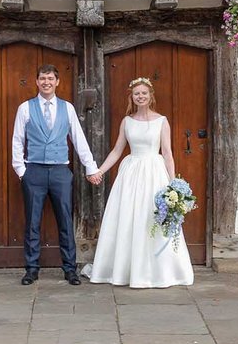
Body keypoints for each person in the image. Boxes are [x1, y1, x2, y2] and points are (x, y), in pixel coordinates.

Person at [84, 77, 195, 288]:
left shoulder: (162, 121)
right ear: (132, 97)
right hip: (131, 173)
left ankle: (160, 271)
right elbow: (117, 150)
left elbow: (168, 153)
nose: (140, 96)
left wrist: (174, 184)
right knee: (128, 217)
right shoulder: (127, 121)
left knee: (152, 218)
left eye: (144, 93)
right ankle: (126, 270)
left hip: (154, 172)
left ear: (150, 95)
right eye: (137, 94)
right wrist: (99, 171)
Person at [11, 63, 102, 286]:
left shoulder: (67, 108)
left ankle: (70, 269)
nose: (46, 82)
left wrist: (90, 167)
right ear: (37, 81)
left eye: (50, 78)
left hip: (61, 171)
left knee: (65, 220)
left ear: (57, 82)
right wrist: (21, 171)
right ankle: (31, 269)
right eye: (42, 78)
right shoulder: (25, 108)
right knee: (32, 222)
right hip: (34, 170)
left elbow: (79, 140)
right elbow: (17, 140)